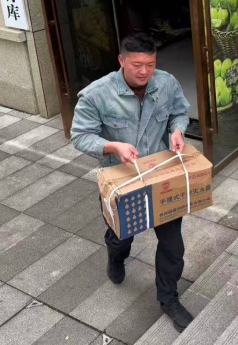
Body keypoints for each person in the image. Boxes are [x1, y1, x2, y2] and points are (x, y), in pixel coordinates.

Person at [71, 32, 194, 332]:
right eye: (137, 65)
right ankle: (116, 256)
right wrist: (113, 146)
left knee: (173, 245)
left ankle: (169, 299)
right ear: (121, 61)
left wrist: (177, 131)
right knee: (122, 237)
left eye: (150, 64)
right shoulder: (97, 94)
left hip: (159, 175)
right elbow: (80, 136)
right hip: (122, 181)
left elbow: (179, 112)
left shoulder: (166, 83)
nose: (144, 71)